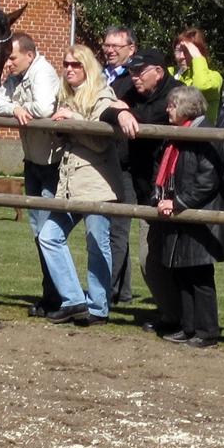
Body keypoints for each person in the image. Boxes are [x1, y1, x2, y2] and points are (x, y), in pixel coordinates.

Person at [37, 44, 122, 325]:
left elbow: (101, 142)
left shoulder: (102, 94)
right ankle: (74, 300)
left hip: (98, 183)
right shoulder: (65, 96)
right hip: (69, 183)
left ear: (88, 67)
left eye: (76, 65)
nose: (69, 69)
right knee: (49, 236)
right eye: (66, 64)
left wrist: (73, 120)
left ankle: (98, 307)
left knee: (97, 244)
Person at [147, 85, 224, 347]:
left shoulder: (205, 133)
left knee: (199, 275)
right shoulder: (176, 134)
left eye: (172, 105)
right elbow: (161, 168)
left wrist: (179, 203)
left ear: (187, 107)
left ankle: (207, 332)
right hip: (180, 212)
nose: (167, 110)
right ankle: (189, 326)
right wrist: (161, 198)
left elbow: (208, 180)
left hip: (201, 216)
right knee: (182, 272)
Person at [101, 46, 179, 317]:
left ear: (158, 72)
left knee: (160, 257)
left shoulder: (175, 92)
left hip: (172, 186)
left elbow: (156, 118)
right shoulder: (135, 93)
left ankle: (176, 316)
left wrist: (127, 112)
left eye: (139, 72)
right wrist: (120, 113)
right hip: (143, 182)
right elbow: (106, 112)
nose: (133, 78)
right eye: (131, 72)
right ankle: (169, 314)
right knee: (148, 256)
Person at [0, 30, 62, 316]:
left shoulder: (42, 73)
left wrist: (21, 107)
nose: (8, 63)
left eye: (12, 57)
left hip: (51, 164)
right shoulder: (16, 78)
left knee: (48, 233)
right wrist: (15, 107)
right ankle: (52, 294)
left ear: (30, 55)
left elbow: (44, 108)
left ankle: (57, 297)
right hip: (33, 161)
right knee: (38, 231)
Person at [101, 26, 138, 305]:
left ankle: (106, 291)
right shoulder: (99, 75)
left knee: (117, 229)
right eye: (107, 45)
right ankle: (122, 291)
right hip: (102, 158)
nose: (110, 50)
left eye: (117, 46)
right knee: (108, 227)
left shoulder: (134, 78)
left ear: (131, 49)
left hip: (126, 162)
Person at [169, 27, 223, 123]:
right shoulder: (171, 72)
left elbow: (201, 87)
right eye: (178, 51)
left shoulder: (214, 77)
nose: (181, 56)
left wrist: (198, 57)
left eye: (187, 51)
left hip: (200, 131)